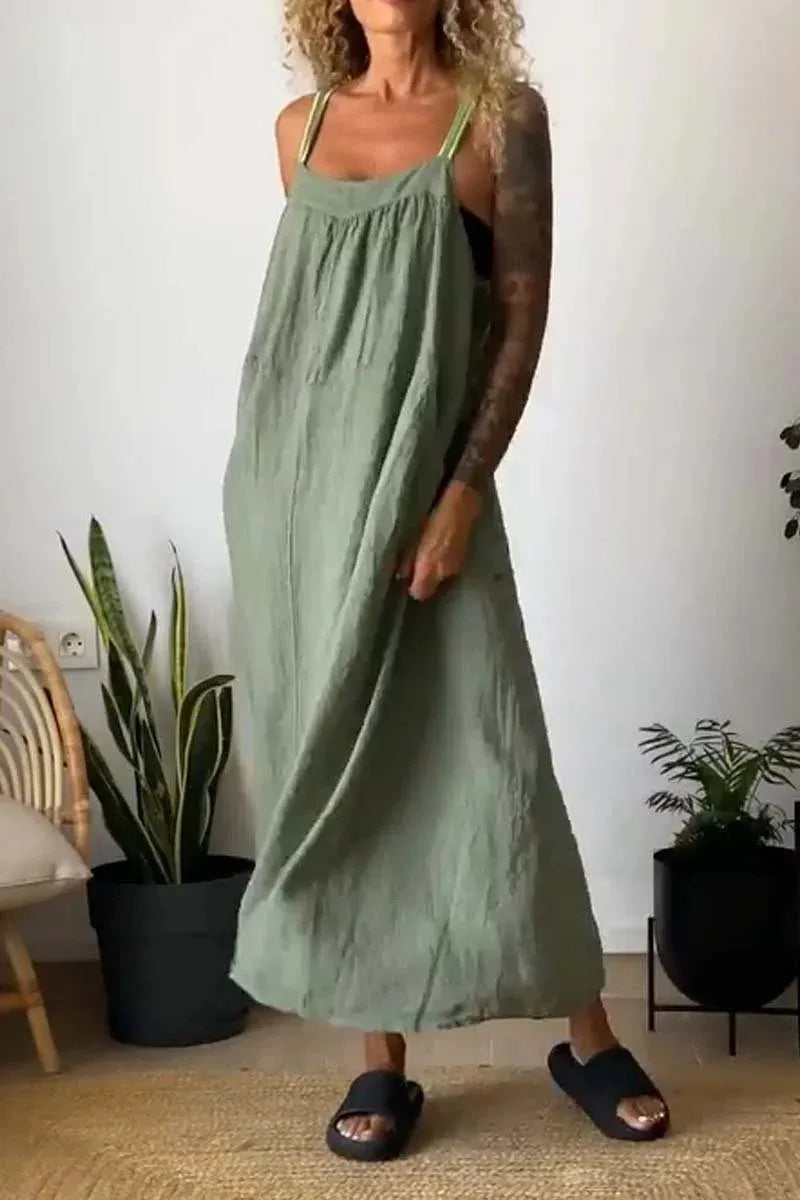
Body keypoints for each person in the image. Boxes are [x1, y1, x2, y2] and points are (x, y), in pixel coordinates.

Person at [223, 0, 669, 1161]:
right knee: (336, 759)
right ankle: (379, 1062)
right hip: (292, 503)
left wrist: (463, 492)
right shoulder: (297, 127)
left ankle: (585, 1035)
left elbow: (517, 322)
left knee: (488, 748)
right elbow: (320, 339)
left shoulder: (500, 119)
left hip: (427, 493)